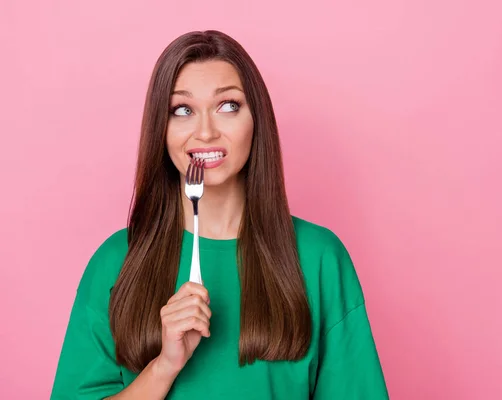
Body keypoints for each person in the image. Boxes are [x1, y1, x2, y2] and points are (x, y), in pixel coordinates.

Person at [50, 30, 389, 399]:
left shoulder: (319, 258)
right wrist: (164, 366)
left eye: (228, 106)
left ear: (256, 120)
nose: (206, 131)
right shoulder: (117, 261)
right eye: (182, 110)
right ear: (161, 131)